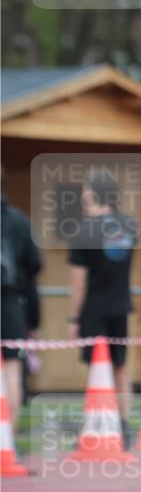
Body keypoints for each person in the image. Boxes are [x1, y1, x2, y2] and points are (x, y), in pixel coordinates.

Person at [67, 167, 137, 448]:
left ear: (93, 193)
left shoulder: (83, 230)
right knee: (120, 368)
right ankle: (123, 427)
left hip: (94, 308)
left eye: (85, 189)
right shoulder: (129, 225)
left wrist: (73, 318)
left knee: (97, 369)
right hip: (121, 305)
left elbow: (78, 281)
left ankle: (95, 428)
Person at [1, 178, 42, 431]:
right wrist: (33, 319)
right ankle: (8, 444)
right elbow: (34, 266)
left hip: (11, 300)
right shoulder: (19, 221)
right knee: (13, 371)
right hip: (11, 303)